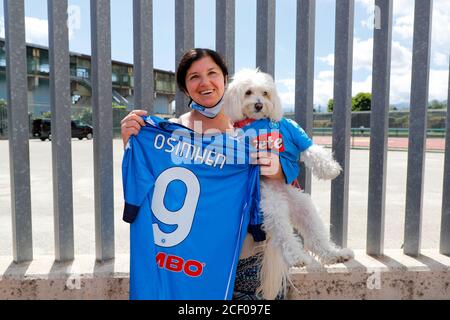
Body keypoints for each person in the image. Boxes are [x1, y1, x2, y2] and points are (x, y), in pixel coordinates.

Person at [121, 48, 285, 300]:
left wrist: (272, 167)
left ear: (225, 78)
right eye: (194, 77)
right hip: (193, 262)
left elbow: (284, 183)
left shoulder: (256, 125)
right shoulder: (170, 132)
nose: (205, 82)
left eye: (212, 73)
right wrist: (132, 142)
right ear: (185, 88)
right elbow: (152, 182)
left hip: (250, 258)